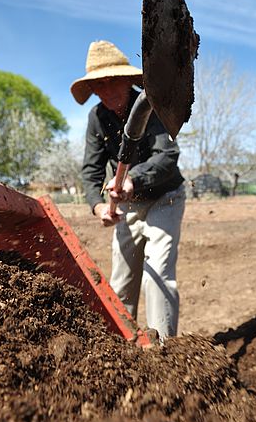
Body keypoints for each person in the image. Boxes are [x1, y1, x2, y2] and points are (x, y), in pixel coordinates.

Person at [70, 40, 186, 340]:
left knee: (157, 275)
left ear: (126, 79)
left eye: (112, 82)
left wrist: (133, 178)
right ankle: (123, 348)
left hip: (165, 197)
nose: (107, 91)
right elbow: (91, 170)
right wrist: (98, 207)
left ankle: (163, 353)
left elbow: (168, 157)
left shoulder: (151, 105)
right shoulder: (96, 118)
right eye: (99, 84)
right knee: (121, 282)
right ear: (92, 89)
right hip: (128, 206)